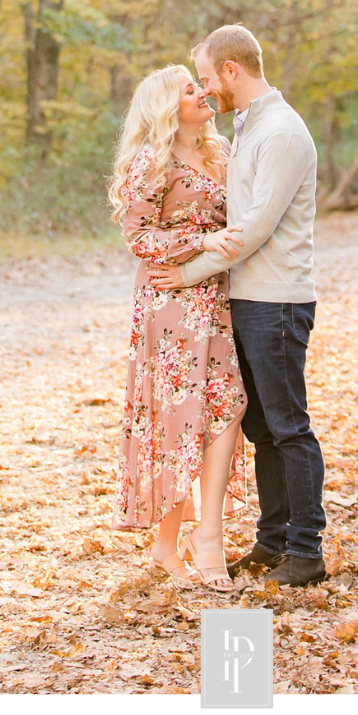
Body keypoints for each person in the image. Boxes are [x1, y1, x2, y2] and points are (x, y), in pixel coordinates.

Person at [148, 26, 326, 587]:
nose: (205, 92)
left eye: (206, 79)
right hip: (248, 299)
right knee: (262, 430)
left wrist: (185, 271)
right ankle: (273, 540)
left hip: (276, 301)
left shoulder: (281, 133)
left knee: (289, 426)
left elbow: (250, 231)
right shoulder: (249, 128)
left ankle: (306, 549)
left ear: (230, 71)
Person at [108, 64, 247, 590]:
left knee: (226, 406)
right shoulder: (153, 161)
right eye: (191, 90)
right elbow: (137, 237)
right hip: (169, 305)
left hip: (213, 298)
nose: (203, 93)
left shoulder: (220, 153)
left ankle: (202, 535)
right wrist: (200, 243)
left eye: (200, 85)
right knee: (178, 420)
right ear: (169, 107)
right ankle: (168, 548)